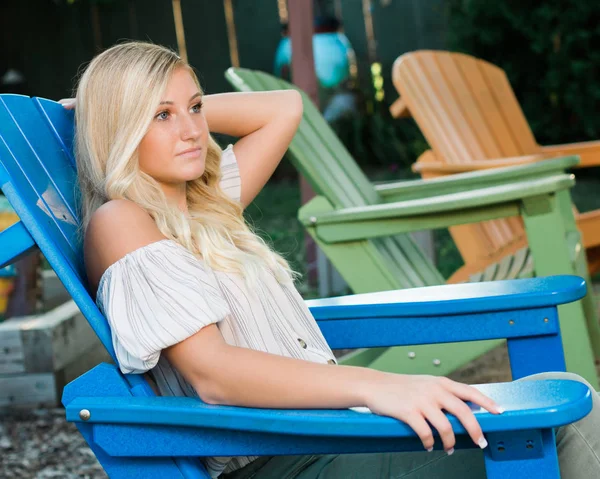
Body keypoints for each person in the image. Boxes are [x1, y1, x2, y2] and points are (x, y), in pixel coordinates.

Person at [67, 41, 600, 478]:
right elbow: (213, 375)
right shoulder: (122, 220)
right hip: (283, 459)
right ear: (121, 127)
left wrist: (174, 108)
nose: (191, 131)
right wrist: (380, 384)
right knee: (563, 434)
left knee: (584, 410)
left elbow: (284, 108)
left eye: (195, 107)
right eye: (160, 115)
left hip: (335, 433)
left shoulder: (205, 206)